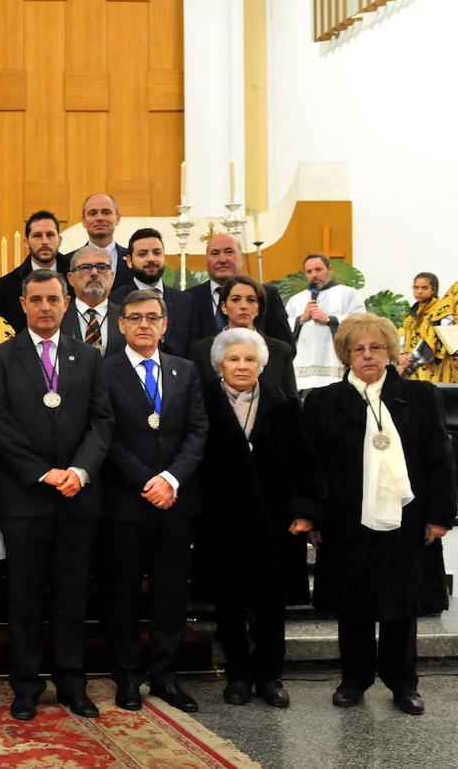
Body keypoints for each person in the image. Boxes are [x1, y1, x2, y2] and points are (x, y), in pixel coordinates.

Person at [303, 313, 455, 715]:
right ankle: (354, 679)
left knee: (401, 605)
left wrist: (440, 516)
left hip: (407, 518)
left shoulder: (421, 397)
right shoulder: (324, 402)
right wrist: (314, 519)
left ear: (390, 351)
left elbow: (441, 459)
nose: (368, 355)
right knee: (352, 603)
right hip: (346, 519)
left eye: (376, 347)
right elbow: (311, 465)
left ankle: (403, 682)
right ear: (346, 355)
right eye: (359, 349)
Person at [0, 270, 113, 720]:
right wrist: (41, 473)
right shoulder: (0, 357)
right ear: (22, 304)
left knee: (72, 597)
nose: (44, 307)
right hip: (24, 498)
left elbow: (102, 422)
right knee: (24, 598)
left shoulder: (89, 356)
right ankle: (26, 686)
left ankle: (73, 685)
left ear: (66, 302)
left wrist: (78, 470)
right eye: (35, 299)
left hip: (77, 496)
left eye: (52, 299)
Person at [191, 328, 318, 709]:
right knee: (228, 604)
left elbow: (304, 463)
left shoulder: (283, 403)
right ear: (218, 366)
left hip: (275, 523)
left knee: (270, 605)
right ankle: (238, 675)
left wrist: (304, 512)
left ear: (261, 364)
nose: (242, 366)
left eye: (249, 359)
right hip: (222, 522)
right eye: (234, 359)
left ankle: (270, 676)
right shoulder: (203, 403)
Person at [102, 289, 208, 713]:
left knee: (170, 597)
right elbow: (104, 434)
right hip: (125, 504)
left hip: (175, 504)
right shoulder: (104, 371)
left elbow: (198, 432)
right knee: (123, 595)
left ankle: (166, 677)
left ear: (164, 324)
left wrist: (170, 479)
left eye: (152, 317)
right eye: (134, 317)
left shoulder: (185, 371)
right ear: (121, 324)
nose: (143, 324)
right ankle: (127, 677)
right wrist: (148, 481)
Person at [189, 276, 297, 398]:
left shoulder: (280, 351)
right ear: (224, 307)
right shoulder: (201, 350)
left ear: (259, 308)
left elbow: (291, 401)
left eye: (251, 300)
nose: (243, 306)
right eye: (236, 300)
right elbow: (196, 400)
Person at [188, 233, 292, 348]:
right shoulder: (189, 299)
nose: (222, 259)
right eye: (215, 253)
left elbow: (286, 348)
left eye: (229, 252)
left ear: (241, 258)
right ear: (206, 259)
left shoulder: (267, 295)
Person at [110, 228, 199, 357]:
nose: (151, 259)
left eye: (157, 253)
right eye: (142, 254)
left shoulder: (186, 302)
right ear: (129, 261)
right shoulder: (114, 301)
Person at [286, 253, 363, 393]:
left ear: (330, 269)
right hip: (304, 368)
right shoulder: (296, 300)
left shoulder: (348, 293)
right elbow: (283, 328)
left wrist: (330, 319)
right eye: (309, 271)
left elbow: (360, 322)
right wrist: (301, 319)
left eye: (318, 269)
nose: (314, 275)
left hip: (333, 363)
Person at [0, 210, 67, 332]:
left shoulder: (77, 276)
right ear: (26, 242)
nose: (44, 241)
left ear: (59, 240)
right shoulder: (5, 287)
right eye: (37, 236)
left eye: (50, 235)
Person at [61, 193, 133, 293]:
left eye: (106, 212)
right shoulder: (66, 262)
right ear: (84, 221)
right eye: (93, 213)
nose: (99, 218)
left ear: (117, 218)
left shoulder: (133, 260)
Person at [60, 246, 124, 355]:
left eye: (102, 267)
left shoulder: (127, 317)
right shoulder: (58, 318)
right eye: (85, 268)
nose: (94, 273)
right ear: (71, 279)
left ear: (112, 277)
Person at [397, 272, 450, 382]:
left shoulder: (440, 312)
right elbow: (401, 335)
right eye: (416, 288)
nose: (419, 291)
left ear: (433, 290)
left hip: (430, 371)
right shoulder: (411, 314)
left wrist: (407, 362)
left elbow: (432, 343)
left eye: (424, 288)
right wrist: (400, 355)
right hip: (408, 371)